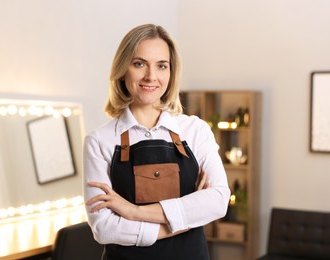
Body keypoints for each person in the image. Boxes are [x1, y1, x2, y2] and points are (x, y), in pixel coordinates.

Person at [83, 24, 230, 260]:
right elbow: (104, 227)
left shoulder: (195, 130)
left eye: (161, 66)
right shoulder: (99, 141)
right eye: (139, 64)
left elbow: (218, 202)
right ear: (123, 69)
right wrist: (182, 221)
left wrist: (133, 211)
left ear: (171, 73)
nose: (151, 76)